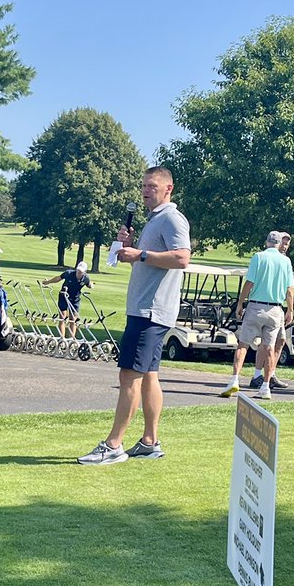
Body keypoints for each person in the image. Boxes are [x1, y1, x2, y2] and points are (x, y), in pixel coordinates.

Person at [78, 167, 190, 464]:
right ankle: (150, 442)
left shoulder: (171, 218)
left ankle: (114, 445)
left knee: (128, 375)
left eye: (152, 186)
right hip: (147, 308)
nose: (145, 190)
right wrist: (129, 250)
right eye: (143, 186)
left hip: (150, 311)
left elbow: (182, 258)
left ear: (168, 189)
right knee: (149, 375)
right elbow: (147, 264)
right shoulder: (153, 221)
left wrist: (140, 254)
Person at [219, 231, 294, 400]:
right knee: (269, 347)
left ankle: (234, 380)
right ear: (278, 244)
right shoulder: (286, 261)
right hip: (275, 309)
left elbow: (249, 282)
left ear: (267, 242)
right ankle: (266, 386)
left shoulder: (258, 257)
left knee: (243, 345)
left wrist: (240, 303)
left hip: (255, 307)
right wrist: (290, 309)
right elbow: (290, 289)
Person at [248, 231, 292, 390]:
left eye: (287, 243)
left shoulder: (285, 261)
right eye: (283, 243)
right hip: (264, 306)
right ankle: (258, 375)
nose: (285, 246)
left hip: (278, 307)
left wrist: (290, 310)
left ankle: (270, 373)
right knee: (267, 343)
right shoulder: (266, 259)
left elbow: (288, 289)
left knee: (280, 341)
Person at [41, 261, 92, 338]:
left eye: (81, 272)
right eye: (78, 270)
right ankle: (62, 338)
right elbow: (58, 278)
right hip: (63, 296)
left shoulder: (86, 278)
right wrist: (48, 282)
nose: (78, 273)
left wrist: (91, 285)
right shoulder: (69, 273)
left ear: (84, 272)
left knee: (73, 320)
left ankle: (71, 340)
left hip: (75, 299)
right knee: (62, 317)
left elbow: (88, 284)